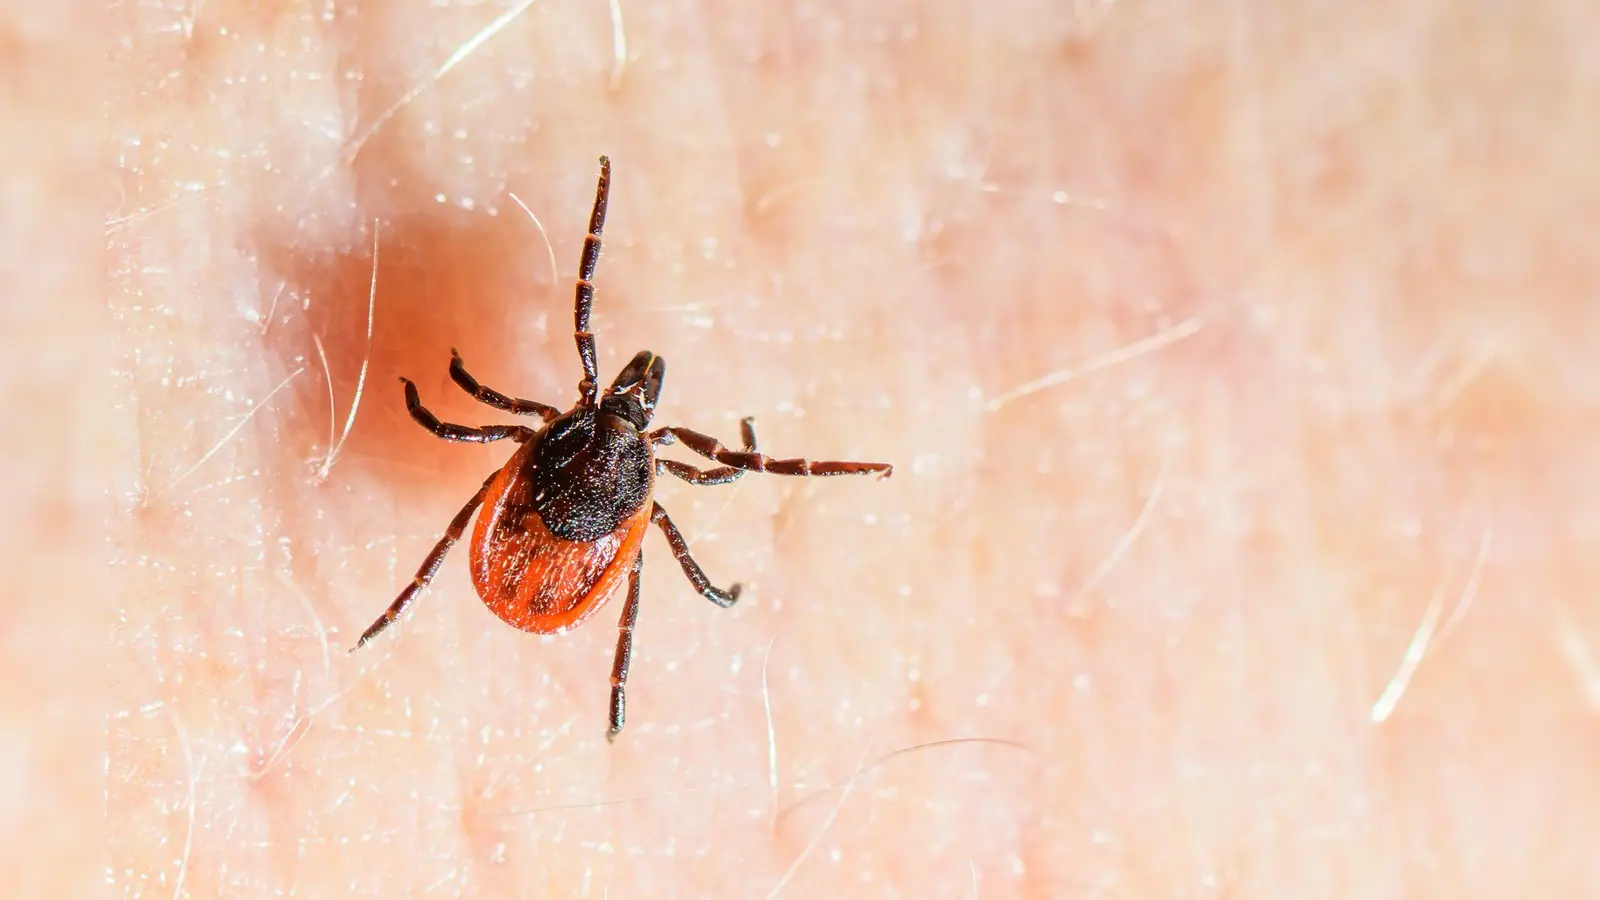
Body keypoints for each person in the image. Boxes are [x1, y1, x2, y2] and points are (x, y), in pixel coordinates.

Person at [98, 2, 1592, 896]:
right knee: (620, 551)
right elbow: (588, 453)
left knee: (484, 510)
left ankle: (443, 609)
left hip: (538, 545)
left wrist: (480, 426)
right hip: (560, 557)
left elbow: (491, 414)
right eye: (619, 408)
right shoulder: (634, 485)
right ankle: (499, 631)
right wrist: (671, 496)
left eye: (617, 409)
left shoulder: (577, 457)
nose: (622, 403)